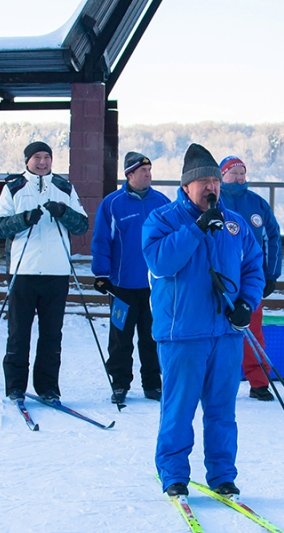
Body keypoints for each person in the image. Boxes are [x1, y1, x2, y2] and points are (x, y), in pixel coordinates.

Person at [144, 143, 264, 498]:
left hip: (226, 333)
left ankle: (223, 475)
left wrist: (246, 303)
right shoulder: (163, 219)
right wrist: (196, 229)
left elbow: (252, 268)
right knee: (178, 410)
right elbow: (160, 263)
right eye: (204, 182)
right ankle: (174, 475)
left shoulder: (235, 224)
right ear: (186, 187)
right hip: (182, 334)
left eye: (215, 180)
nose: (211, 187)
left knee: (222, 411)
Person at [0, 141, 89, 402]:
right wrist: (23, 219)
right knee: (18, 333)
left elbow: (81, 225)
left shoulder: (64, 187)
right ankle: (15, 387)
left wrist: (63, 212)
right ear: (27, 161)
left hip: (56, 272)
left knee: (51, 336)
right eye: (37, 157)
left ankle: (47, 388)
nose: (43, 162)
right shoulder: (13, 187)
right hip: (23, 271)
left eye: (47, 157)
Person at [91, 151, 169, 404]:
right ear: (130, 174)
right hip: (121, 286)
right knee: (120, 337)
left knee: (151, 335)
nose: (148, 175)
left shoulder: (162, 202)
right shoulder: (113, 203)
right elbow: (102, 240)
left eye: (150, 171)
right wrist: (101, 273)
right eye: (143, 171)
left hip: (154, 285)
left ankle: (152, 384)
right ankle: (120, 383)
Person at [218, 155, 282, 401]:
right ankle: (219, 382)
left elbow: (273, 238)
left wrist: (271, 274)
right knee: (218, 333)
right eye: (234, 173)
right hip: (221, 280)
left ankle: (258, 382)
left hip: (250, 280)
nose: (239, 177)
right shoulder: (215, 200)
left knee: (253, 331)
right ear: (223, 175)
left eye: (242, 173)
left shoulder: (257, 203)